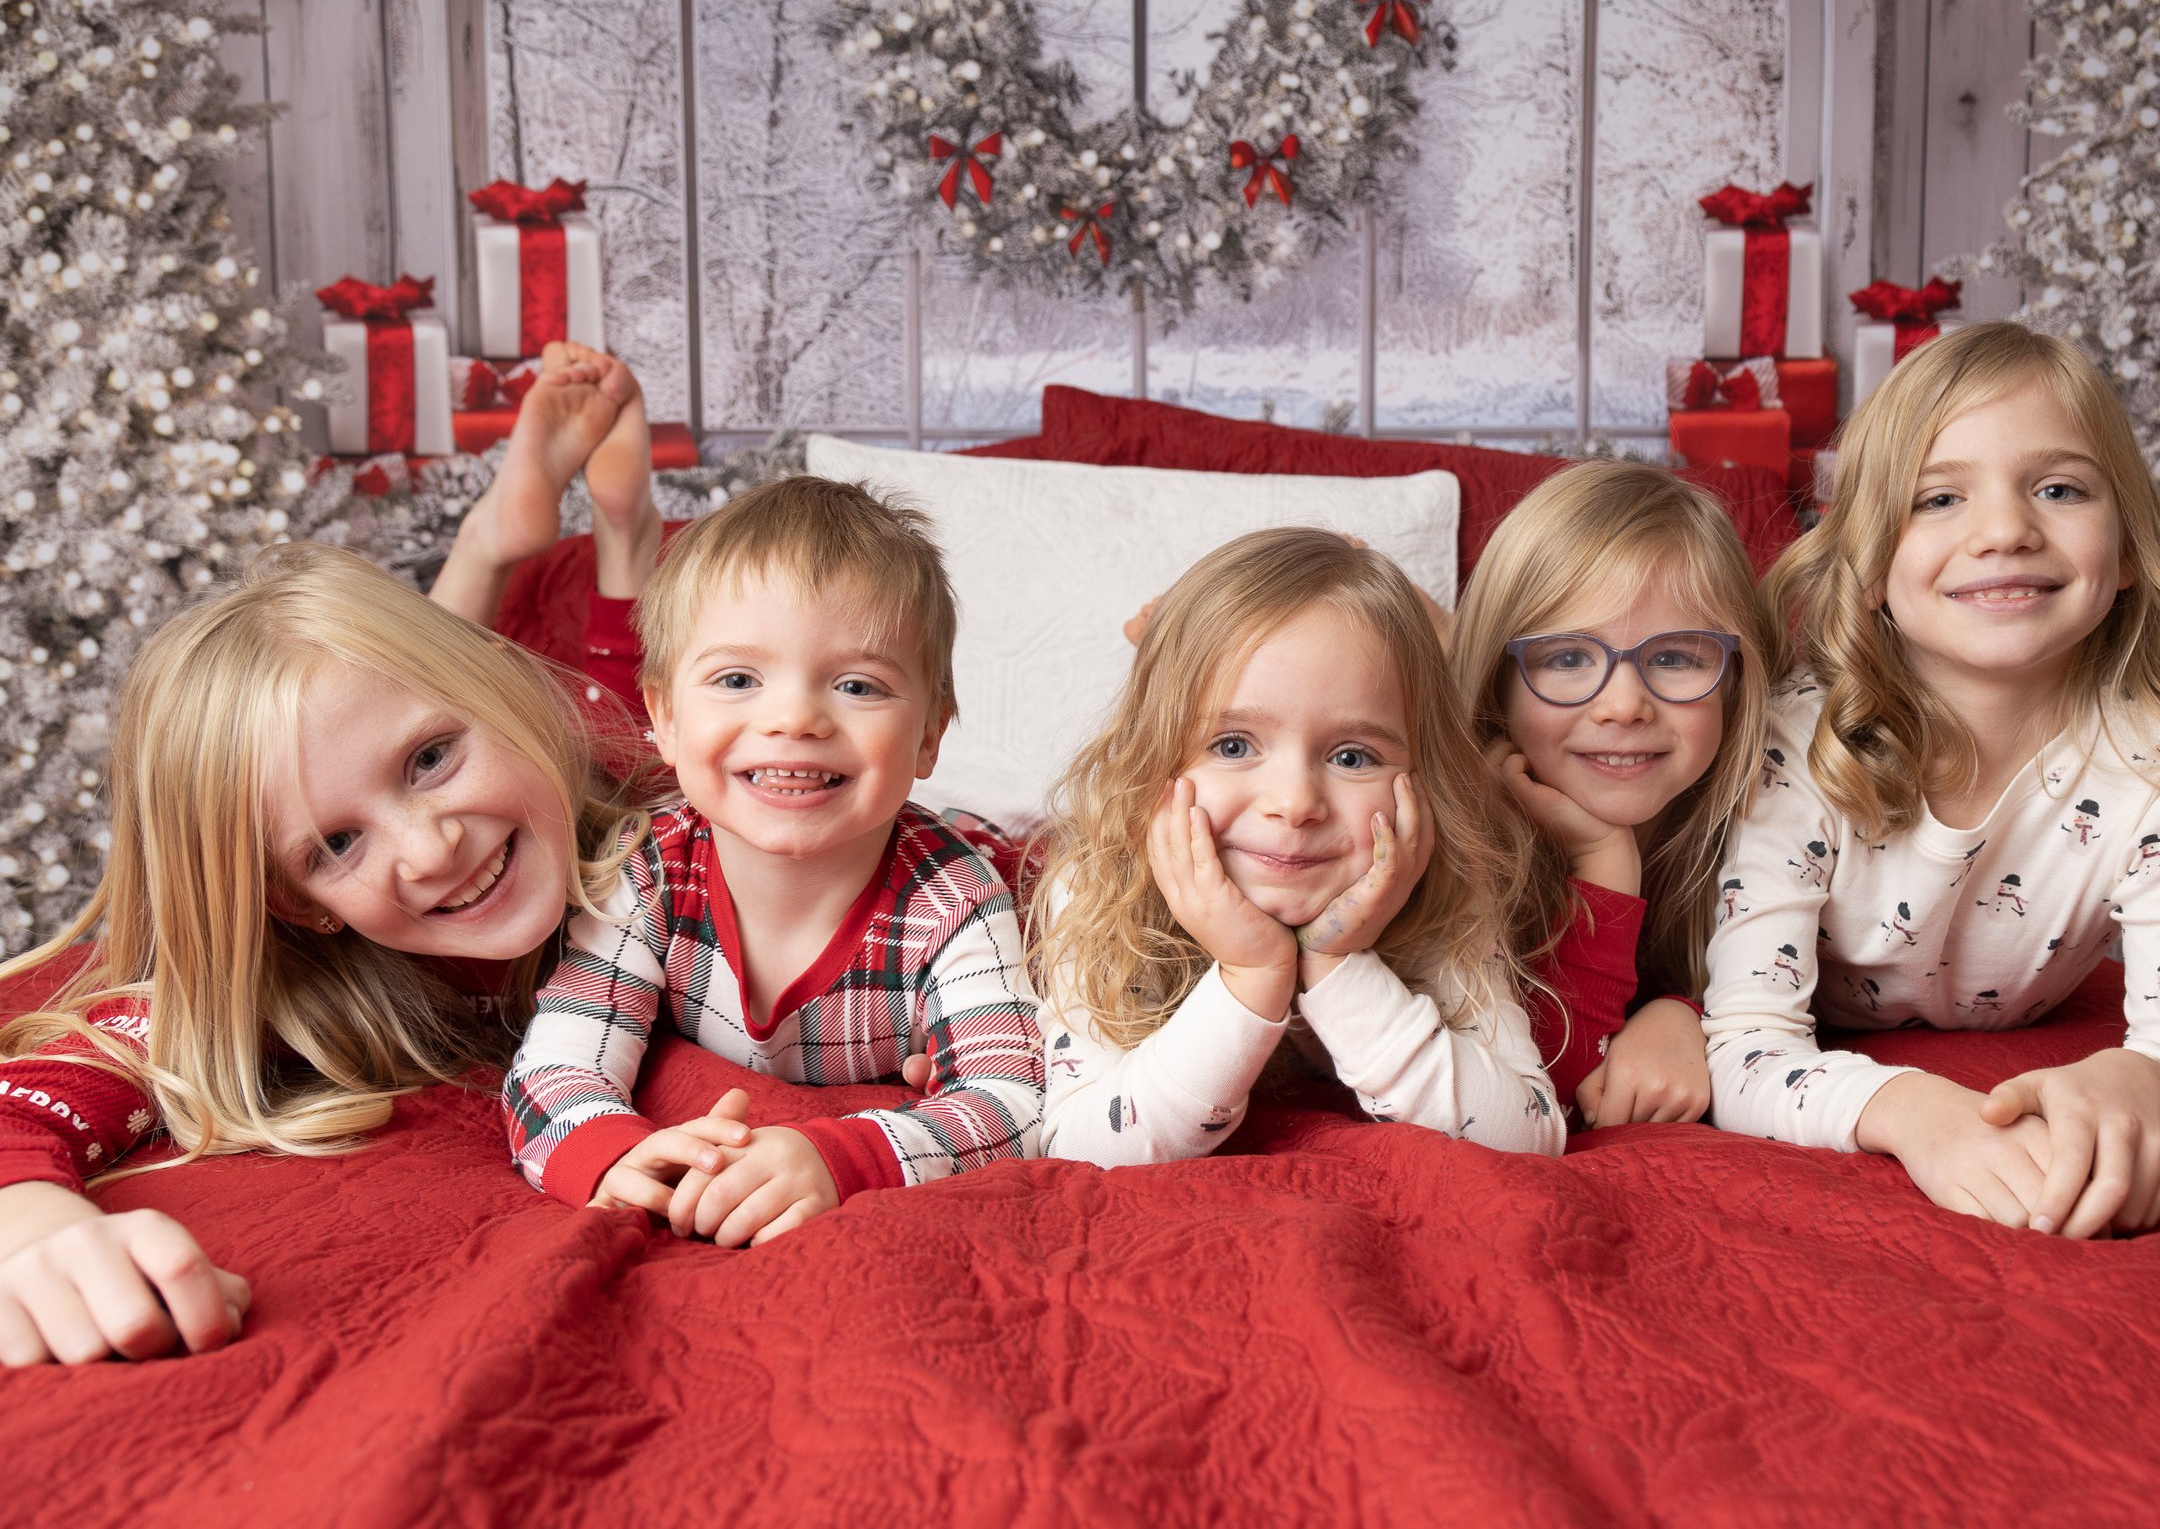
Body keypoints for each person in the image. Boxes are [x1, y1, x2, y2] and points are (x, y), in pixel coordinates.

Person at [0, 349, 736, 1366]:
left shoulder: (644, 829)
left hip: (570, 751)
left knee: (636, 749)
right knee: (452, 727)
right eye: (335, 843)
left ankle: (595, 535)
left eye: (433, 757)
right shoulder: (299, 977)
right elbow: (58, 1082)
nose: (433, 848)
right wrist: (28, 1225)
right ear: (300, 902)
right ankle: (494, 555)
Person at [1704, 322, 2160, 1238]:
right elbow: (1748, 1048)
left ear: (2130, 549)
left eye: (2060, 488)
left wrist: (2149, 1082)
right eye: (1939, 498)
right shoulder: (1801, 745)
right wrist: (1918, 1114)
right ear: (1868, 564)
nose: (2004, 531)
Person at [501, 476, 1045, 1246]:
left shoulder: (957, 899)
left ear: (929, 736)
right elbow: (556, 1064)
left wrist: (844, 1155)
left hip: (1008, 860)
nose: (792, 718)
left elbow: (1011, 1102)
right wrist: (614, 1152)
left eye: (857, 684)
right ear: (663, 716)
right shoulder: (649, 871)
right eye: (737, 679)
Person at [1033, 526, 1564, 1165]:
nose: (1295, 803)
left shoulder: (1445, 888)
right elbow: (1085, 1146)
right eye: (1233, 746)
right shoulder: (1097, 882)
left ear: (1424, 779)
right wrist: (1251, 975)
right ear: (1152, 761)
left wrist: (1338, 963)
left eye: (1351, 755)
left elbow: (1527, 1137)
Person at [1448, 461, 1774, 1126]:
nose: (1624, 705)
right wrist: (1603, 860)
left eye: (1676, 657)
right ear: (1496, 683)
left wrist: (1683, 1016)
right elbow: (1532, 1090)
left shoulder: (1764, 821)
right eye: (1568, 658)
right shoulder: (1460, 844)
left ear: (1735, 682)